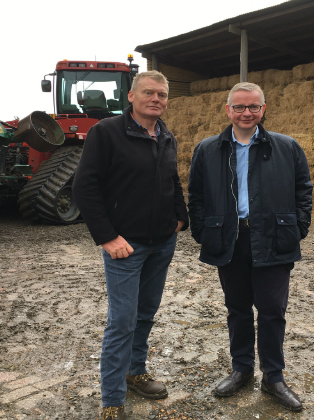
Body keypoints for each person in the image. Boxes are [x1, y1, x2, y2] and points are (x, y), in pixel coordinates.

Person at [188, 82, 313, 412]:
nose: (247, 113)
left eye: (253, 107)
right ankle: (241, 369)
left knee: (272, 310)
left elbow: (304, 189)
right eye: (240, 107)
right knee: (238, 309)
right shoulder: (208, 149)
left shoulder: (286, 147)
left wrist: (298, 227)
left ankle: (273, 377)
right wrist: (203, 231)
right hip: (230, 239)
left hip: (273, 237)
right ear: (227, 110)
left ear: (263, 109)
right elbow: (196, 195)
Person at [72, 70, 188, 420]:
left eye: (163, 95)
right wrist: (107, 236)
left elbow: (172, 180)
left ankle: (136, 372)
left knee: (145, 313)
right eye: (149, 93)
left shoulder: (165, 135)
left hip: (161, 243)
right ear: (132, 97)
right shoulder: (106, 132)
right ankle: (112, 401)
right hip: (125, 246)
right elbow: (84, 187)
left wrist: (180, 218)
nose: (157, 99)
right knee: (122, 321)